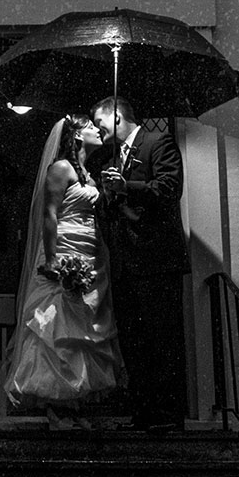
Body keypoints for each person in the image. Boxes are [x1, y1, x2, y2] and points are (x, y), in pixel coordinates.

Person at [0, 115, 125, 422]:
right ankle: (53, 402)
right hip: (65, 251)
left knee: (82, 329)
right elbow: (50, 214)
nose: (97, 129)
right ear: (76, 136)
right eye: (91, 127)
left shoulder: (89, 175)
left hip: (89, 254)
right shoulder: (61, 168)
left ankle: (74, 401)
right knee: (57, 325)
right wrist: (54, 260)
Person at [92, 95, 190, 431]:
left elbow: (168, 189)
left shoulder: (157, 142)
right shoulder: (112, 157)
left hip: (155, 259)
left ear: (117, 116)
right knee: (133, 341)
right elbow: (111, 210)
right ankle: (143, 412)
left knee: (161, 339)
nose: (97, 128)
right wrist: (107, 194)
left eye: (100, 121)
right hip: (124, 263)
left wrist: (127, 186)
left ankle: (167, 416)